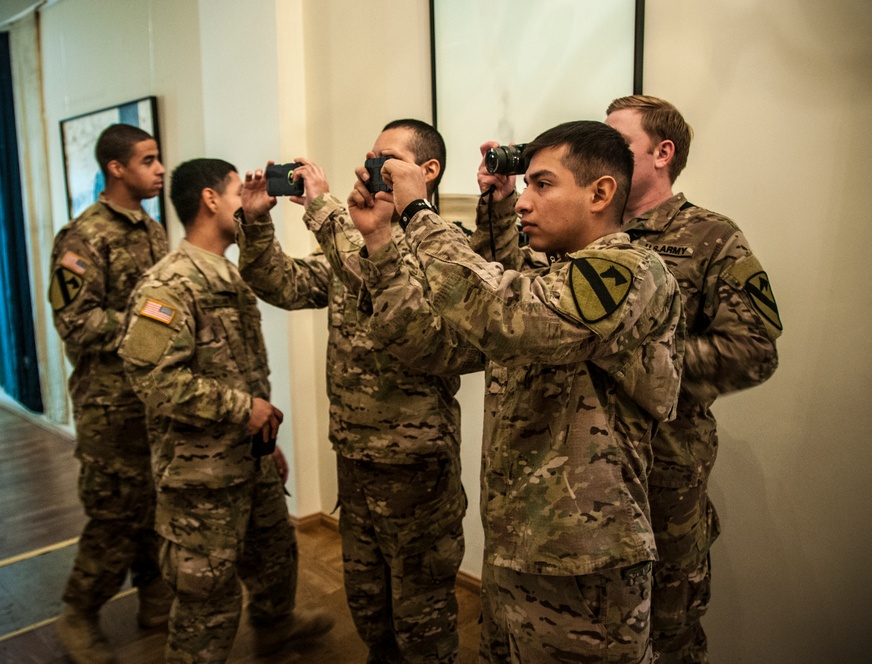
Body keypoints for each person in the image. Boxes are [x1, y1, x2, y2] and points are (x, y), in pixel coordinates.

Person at [351, 120, 684, 663]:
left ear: (600, 192)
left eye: (542, 185)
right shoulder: (547, 276)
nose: (524, 203)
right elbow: (431, 347)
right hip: (515, 552)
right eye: (524, 185)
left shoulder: (631, 269)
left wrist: (417, 214)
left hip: (586, 568)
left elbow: (510, 316)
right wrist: (382, 241)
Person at [236, 119, 468, 663]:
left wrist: (324, 210)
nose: (368, 167)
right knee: (368, 606)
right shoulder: (357, 240)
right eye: (369, 155)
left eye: (385, 157)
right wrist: (254, 225)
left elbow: (388, 288)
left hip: (415, 465)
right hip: (357, 456)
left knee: (422, 619)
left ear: (426, 171)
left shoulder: (445, 244)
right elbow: (285, 284)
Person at [117, 158, 333, 663]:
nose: (250, 201)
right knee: (206, 597)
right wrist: (242, 411)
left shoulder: (229, 275)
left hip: (248, 461)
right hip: (201, 476)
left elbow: (237, 371)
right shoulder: (167, 285)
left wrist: (265, 443)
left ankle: (276, 631)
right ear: (210, 200)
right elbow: (151, 379)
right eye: (240, 192)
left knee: (275, 558)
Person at [605, 95, 781, 663]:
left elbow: (754, 350)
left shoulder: (711, 236)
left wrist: (642, 358)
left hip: (666, 475)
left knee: (669, 629)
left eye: (619, 145)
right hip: (591, 480)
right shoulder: (591, 231)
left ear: (663, 153)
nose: (602, 156)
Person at [47, 123, 171, 664]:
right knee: (115, 512)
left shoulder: (153, 229)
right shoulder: (82, 238)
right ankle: (79, 612)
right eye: (148, 160)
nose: (160, 168)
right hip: (108, 402)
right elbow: (73, 320)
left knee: (152, 501)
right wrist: (148, 325)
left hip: (153, 396)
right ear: (116, 168)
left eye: (159, 158)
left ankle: (154, 596)